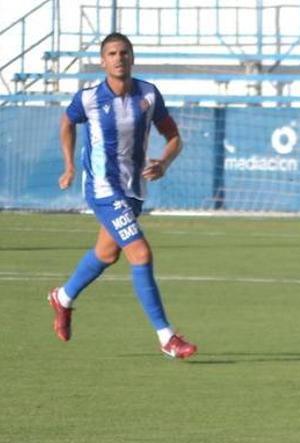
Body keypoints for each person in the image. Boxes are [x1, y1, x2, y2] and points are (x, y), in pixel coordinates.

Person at [48, 32, 197, 360]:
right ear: (103, 61)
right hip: (102, 188)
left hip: (134, 189)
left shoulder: (148, 94)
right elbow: (67, 122)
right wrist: (69, 165)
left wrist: (164, 163)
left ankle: (63, 297)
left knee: (106, 253)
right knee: (140, 253)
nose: (119, 58)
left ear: (132, 57)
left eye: (124, 52)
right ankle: (167, 337)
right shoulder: (88, 98)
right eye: (112, 53)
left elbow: (173, 136)